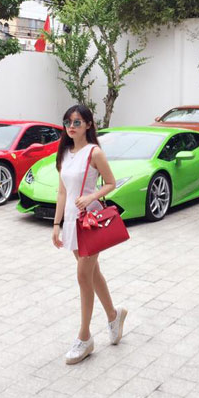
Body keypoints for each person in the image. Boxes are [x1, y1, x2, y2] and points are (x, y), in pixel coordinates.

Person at [52, 105, 127, 365]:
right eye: (67, 122)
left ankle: (85, 338)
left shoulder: (94, 152)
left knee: (83, 276)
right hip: (71, 221)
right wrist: (56, 224)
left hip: (89, 221)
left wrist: (91, 196)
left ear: (88, 124)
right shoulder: (64, 153)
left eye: (77, 122)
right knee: (93, 274)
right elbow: (62, 192)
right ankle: (114, 315)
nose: (71, 126)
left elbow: (111, 183)